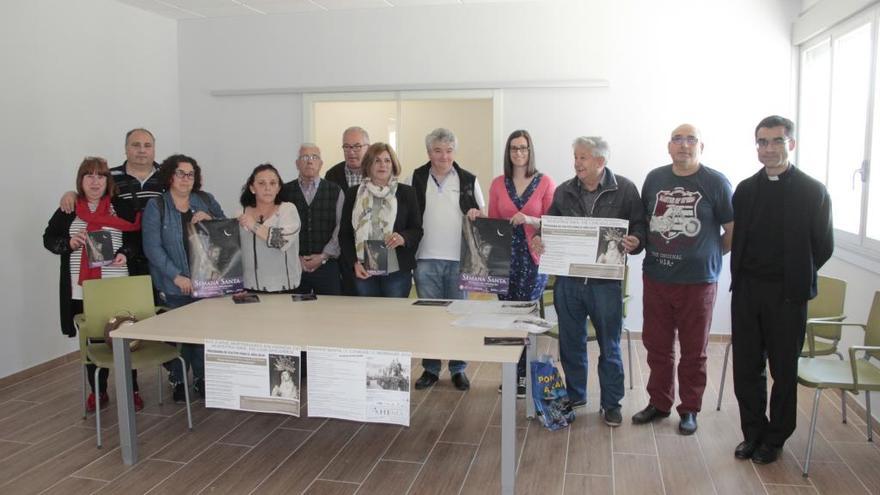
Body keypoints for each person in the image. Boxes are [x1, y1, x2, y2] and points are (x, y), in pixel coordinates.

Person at [730, 115, 834, 464]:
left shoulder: (813, 190)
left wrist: (796, 275)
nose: (769, 148)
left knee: (783, 370)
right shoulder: (745, 189)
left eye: (777, 141)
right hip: (747, 291)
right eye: (762, 141)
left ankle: (776, 438)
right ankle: (753, 433)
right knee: (747, 367)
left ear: (792, 143)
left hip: (788, 296)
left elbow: (823, 247)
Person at [531, 137, 645, 427]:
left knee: (609, 345)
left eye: (583, 157)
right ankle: (576, 394)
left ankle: (611, 404)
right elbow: (549, 225)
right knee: (571, 342)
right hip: (568, 282)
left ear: (600, 162)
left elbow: (640, 226)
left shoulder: (626, 189)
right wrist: (539, 238)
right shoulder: (564, 191)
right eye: (576, 156)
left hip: (605, 284)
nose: (577, 162)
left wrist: (636, 241)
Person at [634, 124, 734, 435]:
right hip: (656, 278)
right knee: (657, 346)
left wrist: (709, 256)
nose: (684, 145)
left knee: (694, 350)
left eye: (691, 139)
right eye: (678, 139)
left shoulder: (716, 182)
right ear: (669, 146)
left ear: (701, 146)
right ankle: (659, 403)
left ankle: (689, 408)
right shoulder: (654, 179)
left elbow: (732, 231)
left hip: (698, 283)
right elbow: (644, 221)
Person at [43, 157, 143, 412]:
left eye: (100, 176)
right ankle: (98, 392)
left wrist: (125, 253)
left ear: (108, 180)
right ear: (81, 181)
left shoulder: (120, 207)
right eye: (89, 175)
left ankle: (132, 390)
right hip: (81, 288)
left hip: (116, 285)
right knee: (93, 342)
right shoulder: (69, 208)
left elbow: (136, 237)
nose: (95, 181)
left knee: (123, 338)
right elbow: (49, 239)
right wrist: (69, 243)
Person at [406, 128, 485, 391]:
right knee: (430, 319)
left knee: (457, 316)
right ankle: (430, 369)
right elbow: (406, 215)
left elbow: (482, 218)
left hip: (459, 260)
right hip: (425, 259)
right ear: (429, 153)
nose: (444, 156)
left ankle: (458, 369)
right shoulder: (415, 177)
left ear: (454, 152)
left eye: (449, 150)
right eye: (438, 151)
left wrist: (476, 214)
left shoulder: (468, 180)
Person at [142, 154, 225, 402]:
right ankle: (178, 378)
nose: (186, 179)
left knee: (202, 334)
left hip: (205, 282)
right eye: (181, 173)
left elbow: (227, 232)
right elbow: (152, 247)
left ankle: (201, 378)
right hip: (173, 283)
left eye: (190, 174)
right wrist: (176, 276)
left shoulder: (206, 200)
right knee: (177, 336)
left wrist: (211, 220)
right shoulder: (157, 206)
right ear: (170, 175)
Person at [487, 130, 556, 397]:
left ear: (530, 151)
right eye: (514, 148)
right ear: (508, 152)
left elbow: (552, 222)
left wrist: (528, 219)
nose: (518, 153)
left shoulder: (545, 182)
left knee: (525, 317)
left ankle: (526, 375)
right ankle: (510, 374)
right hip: (504, 260)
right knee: (506, 317)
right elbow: (492, 223)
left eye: (523, 148)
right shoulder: (496, 184)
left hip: (532, 259)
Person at [59, 129, 164, 278]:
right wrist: (72, 194)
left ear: (154, 149)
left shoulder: (169, 177)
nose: (142, 150)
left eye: (147, 145)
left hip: (162, 255)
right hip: (130, 260)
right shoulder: (110, 177)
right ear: (126, 149)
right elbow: (91, 194)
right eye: (136, 145)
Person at [340, 143, 422, 297]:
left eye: (387, 160)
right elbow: (344, 234)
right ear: (368, 165)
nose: (382, 165)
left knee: (394, 318)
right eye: (377, 161)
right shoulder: (353, 194)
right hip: (364, 268)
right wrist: (354, 263)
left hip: (396, 270)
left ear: (393, 164)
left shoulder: (407, 193)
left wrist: (403, 238)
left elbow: (417, 230)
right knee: (368, 318)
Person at [279, 144, 344, 296]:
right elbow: (278, 228)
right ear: (297, 164)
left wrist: (323, 256)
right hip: (293, 264)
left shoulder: (335, 190)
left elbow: (340, 227)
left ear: (321, 163)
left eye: (314, 157)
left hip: (327, 264)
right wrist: (295, 258)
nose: (310, 161)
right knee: (293, 313)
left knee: (331, 312)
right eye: (305, 157)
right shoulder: (283, 192)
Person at [237, 163, 302, 293]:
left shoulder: (288, 209)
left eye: (273, 183)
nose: (268, 188)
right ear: (252, 188)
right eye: (261, 183)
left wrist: (254, 225)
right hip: (250, 289)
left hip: (284, 289)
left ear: (278, 188)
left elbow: (281, 241)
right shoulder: (241, 213)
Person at [325, 127, 371, 296]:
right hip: (344, 249)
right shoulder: (332, 174)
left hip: (372, 249)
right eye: (347, 147)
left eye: (357, 146)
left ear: (368, 147)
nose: (351, 152)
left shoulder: (378, 173)